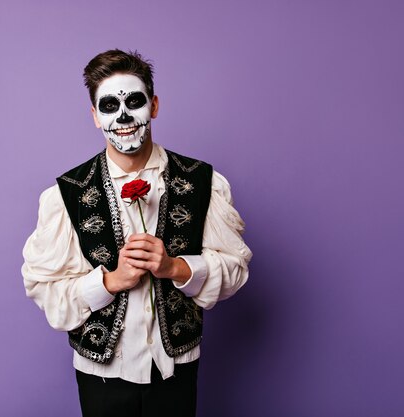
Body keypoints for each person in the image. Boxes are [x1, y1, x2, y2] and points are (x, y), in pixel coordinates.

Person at [21, 49, 253, 417]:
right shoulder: (67, 194)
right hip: (102, 375)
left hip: (176, 369)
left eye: (135, 101)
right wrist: (110, 281)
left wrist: (177, 268)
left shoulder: (202, 181)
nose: (124, 116)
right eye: (110, 105)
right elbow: (44, 287)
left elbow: (236, 269)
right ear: (95, 117)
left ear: (154, 105)